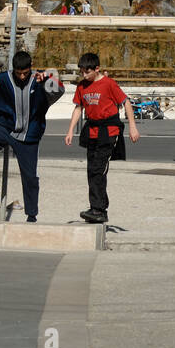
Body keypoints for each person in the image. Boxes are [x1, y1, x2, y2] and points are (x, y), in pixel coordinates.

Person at [0, 51, 64, 223]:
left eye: (25, 73)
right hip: (7, 128)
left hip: (30, 134)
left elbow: (59, 91)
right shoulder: (2, 79)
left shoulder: (39, 79)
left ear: (30, 68)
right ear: (13, 70)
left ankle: (31, 215)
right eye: (19, 73)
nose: (22, 76)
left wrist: (47, 80)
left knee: (30, 176)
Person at [64, 52, 138, 224]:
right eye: (81, 71)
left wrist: (133, 127)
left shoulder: (108, 84)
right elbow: (78, 108)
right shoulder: (82, 86)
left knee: (99, 169)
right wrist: (70, 131)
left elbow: (125, 102)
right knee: (91, 170)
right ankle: (95, 207)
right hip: (92, 130)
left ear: (97, 69)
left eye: (87, 71)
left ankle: (100, 209)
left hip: (109, 131)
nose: (84, 75)